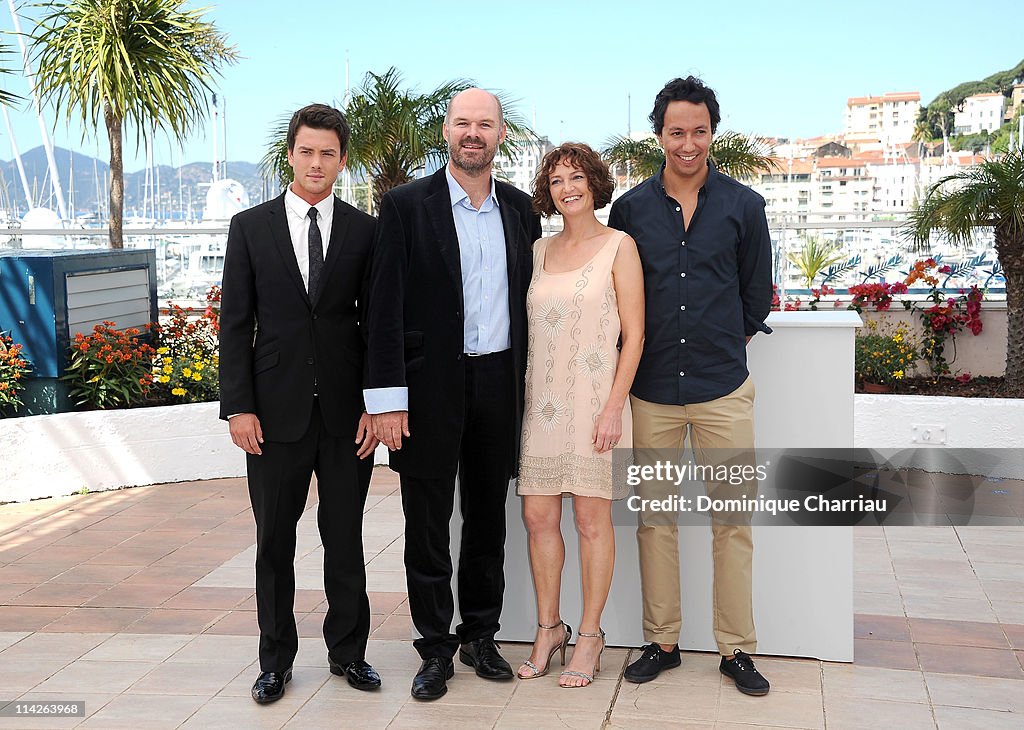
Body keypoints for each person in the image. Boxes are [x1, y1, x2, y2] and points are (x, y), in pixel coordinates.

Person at [364, 88, 543, 701]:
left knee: (488, 519)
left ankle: (480, 635)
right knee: (427, 522)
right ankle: (434, 647)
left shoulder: (521, 211)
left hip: (499, 382)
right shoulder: (405, 206)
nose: (474, 133)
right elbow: (382, 308)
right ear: (447, 131)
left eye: (485, 124)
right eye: (464, 123)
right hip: (426, 388)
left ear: (499, 134)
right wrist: (386, 399)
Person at [607, 76, 774, 696]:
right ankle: (663, 641)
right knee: (656, 519)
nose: (688, 143)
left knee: (734, 521)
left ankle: (736, 651)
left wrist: (722, 346)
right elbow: (621, 298)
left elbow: (757, 298)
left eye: (699, 131)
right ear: (659, 134)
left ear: (712, 133)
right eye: (676, 131)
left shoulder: (744, 206)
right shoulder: (629, 211)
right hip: (650, 394)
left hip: (723, 391)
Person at [219, 103, 382, 704]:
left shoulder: (366, 231)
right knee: (274, 544)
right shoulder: (250, 227)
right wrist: (238, 407)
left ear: (342, 160)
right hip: (272, 414)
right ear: (290, 153)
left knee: (346, 539)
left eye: (329, 153)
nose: (317, 163)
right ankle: (275, 661)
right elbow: (234, 326)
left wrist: (377, 403)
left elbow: (375, 327)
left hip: (347, 416)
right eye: (307, 151)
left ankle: (350, 653)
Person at [515, 143, 644, 688]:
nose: (567, 188)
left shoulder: (620, 246)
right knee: (538, 519)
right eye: (557, 179)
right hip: (540, 407)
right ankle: (550, 628)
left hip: (599, 408)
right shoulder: (538, 250)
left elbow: (635, 335)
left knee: (593, 522)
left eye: (577, 178)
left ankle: (590, 635)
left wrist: (614, 407)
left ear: (594, 184)